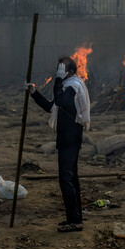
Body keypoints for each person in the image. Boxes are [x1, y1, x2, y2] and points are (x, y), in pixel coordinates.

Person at [27, 56, 91, 233]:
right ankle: (75, 218)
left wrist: (57, 79)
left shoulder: (73, 86)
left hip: (71, 138)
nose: (58, 72)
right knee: (71, 178)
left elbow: (62, 101)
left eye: (61, 70)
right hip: (66, 138)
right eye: (57, 70)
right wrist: (34, 93)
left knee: (66, 178)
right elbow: (52, 106)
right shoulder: (66, 87)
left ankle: (75, 220)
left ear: (69, 71)